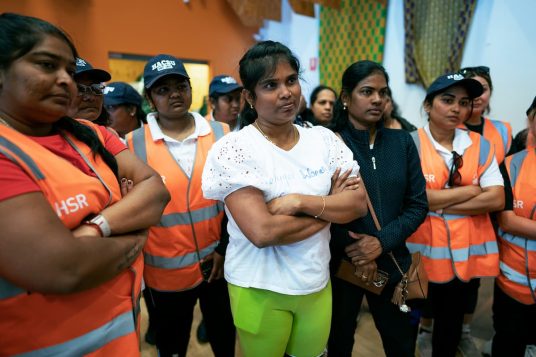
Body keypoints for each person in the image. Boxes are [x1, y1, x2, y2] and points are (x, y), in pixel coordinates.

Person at [0, 13, 170, 356]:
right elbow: (64, 268)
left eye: (70, 73)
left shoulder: (92, 135)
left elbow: (155, 192)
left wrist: (96, 229)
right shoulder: (8, 151)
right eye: (47, 65)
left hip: (120, 334)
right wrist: (137, 229)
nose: (66, 81)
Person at [202, 40, 367, 357]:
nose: (286, 92)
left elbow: (357, 204)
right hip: (258, 288)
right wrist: (330, 206)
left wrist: (298, 202)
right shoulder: (235, 149)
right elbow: (263, 232)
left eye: (291, 80)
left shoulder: (323, 140)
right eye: (270, 85)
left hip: (316, 282)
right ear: (250, 97)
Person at [125, 54, 236, 357]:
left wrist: (223, 249)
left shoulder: (221, 134)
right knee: (172, 345)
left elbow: (234, 202)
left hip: (218, 264)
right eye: (163, 90)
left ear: (191, 89)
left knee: (224, 338)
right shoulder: (131, 145)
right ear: (149, 98)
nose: (174, 94)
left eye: (180, 86)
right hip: (166, 274)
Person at [327, 60, 428, 357]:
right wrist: (356, 251)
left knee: (401, 342)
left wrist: (380, 243)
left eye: (382, 93)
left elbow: (417, 205)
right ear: (346, 98)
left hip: (393, 261)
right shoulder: (328, 143)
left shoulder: (402, 143)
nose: (377, 99)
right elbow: (324, 206)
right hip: (342, 263)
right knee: (338, 340)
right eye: (367, 91)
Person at [407, 72, 504, 357]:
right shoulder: (409, 144)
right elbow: (417, 198)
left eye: (464, 102)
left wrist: (438, 202)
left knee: (449, 327)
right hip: (420, 255)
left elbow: (497, 197)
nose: (456, 109)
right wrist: (472, 191)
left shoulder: (480, 144)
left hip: (464, 258)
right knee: (412, 318)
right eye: (447, 100)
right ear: (428, 105)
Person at [492, 96, 536, 357]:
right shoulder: (512, 164)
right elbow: (506, 220)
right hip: (512, 283)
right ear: (531, 119)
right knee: (508, 343)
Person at [68, 57, 111, 122]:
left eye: (96, 88)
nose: (91, 97)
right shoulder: (50, 131)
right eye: (79, 89)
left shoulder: (107, 132)